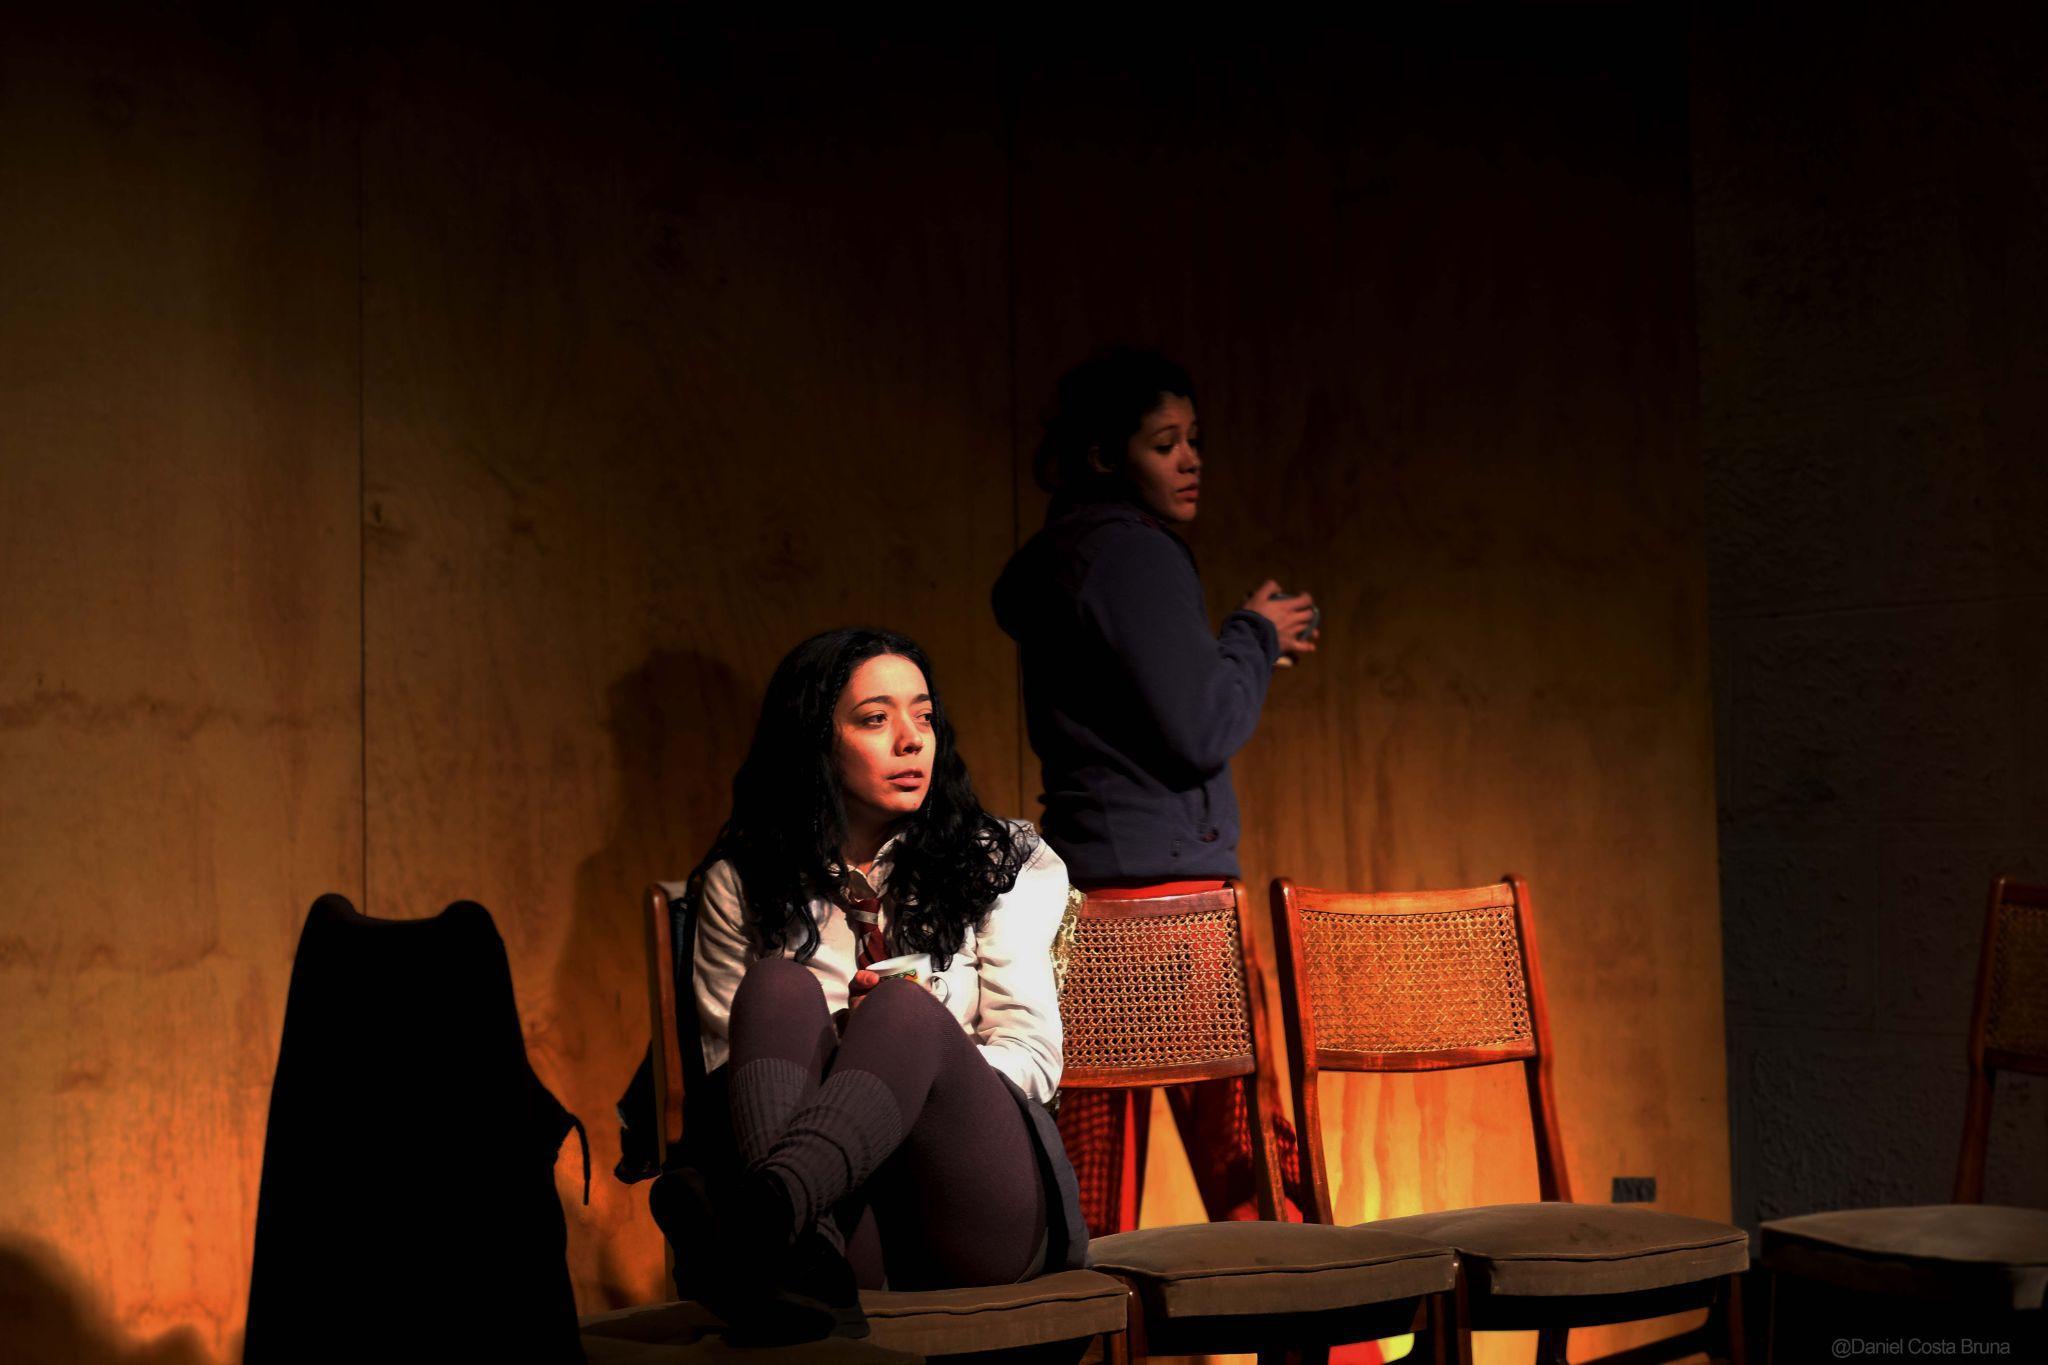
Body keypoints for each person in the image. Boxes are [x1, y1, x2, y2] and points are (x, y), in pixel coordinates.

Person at [647, 627, 1081, 1344]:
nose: (912, 740)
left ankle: (758, 1220)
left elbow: (1033, 1060)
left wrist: (901, 1058)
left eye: (924, 716)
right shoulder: (744, 882)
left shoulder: (1002, 859)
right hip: (850, 1226)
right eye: (876, 719)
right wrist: (852, 1080)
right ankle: (796, 1248)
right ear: (816, 741)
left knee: (901, 1012)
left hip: (978, 1206)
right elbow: (735, 1080)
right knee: (776, 986)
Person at [992, 347, 1316, 1233]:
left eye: (1194, 439)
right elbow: (1202, 727)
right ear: (1106, 456)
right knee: (1253, 1171)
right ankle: (1316, 1317)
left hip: (1088, 904)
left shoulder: (1070, 557)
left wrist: (1238, 651)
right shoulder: (1136, 555)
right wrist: (1253, 635)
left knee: (1090, 1187)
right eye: (1164, 443)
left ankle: (1083, 1314)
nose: (1190, 460)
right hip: (1175, 910)